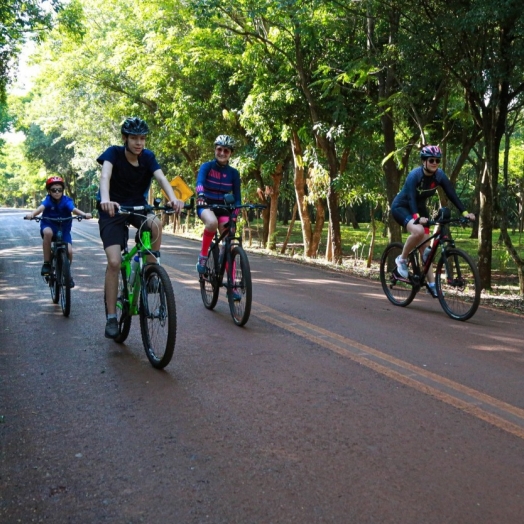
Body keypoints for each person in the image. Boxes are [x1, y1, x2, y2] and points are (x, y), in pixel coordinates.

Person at [96, 117, 184, 339]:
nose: (139, 143)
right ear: (125, 138)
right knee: (115, 262)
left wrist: (173, 199)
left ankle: (151, 273)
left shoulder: (148, 157)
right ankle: (111, 318)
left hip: (137, 207)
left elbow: (162, 179)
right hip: (112, 210)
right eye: (134, 138)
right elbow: (105, 176)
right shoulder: (113, 153)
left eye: (142, 138)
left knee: (155, 223)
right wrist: (106, 200)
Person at [391, 145, 475, 297]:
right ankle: (402, 259)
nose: (435, 163)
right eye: (431, 160)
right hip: (402, 207)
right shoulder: (414, 175)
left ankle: (431, 284)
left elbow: (452, 194)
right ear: (424, 161)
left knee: (425, 251)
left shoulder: (439, 176)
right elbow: (411, 198)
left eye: (437, 160)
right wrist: (417, 218)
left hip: (420, 209)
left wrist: (465, 213)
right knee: (418, 231)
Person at [25, 176, 92, 287]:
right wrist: (32, 214)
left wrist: (84, 214)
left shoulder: (66, 201)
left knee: (69, 251)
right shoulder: (47, 200)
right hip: (49, 225)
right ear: (49, 191)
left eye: (59, 190)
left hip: (63, 229)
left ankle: (67, 274)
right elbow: (40, 208)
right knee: (48, 233)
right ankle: (47, 263)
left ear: (62, 191)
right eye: (53, 190)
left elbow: (73, 209)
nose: (57, 192)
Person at [195, 135, 241, 278]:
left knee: (229, 245)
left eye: (226, 151)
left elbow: (238, 198)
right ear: (215, 150)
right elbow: (200, 183)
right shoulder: (206, 167)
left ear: (230, 153)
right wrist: (201, 196)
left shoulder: (233, 173)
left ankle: (232, 285)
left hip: (224, 208)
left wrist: (235, 214)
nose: (222, 153)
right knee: (212, 223)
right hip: (206, 205)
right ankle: (203, 257)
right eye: (219, 149)